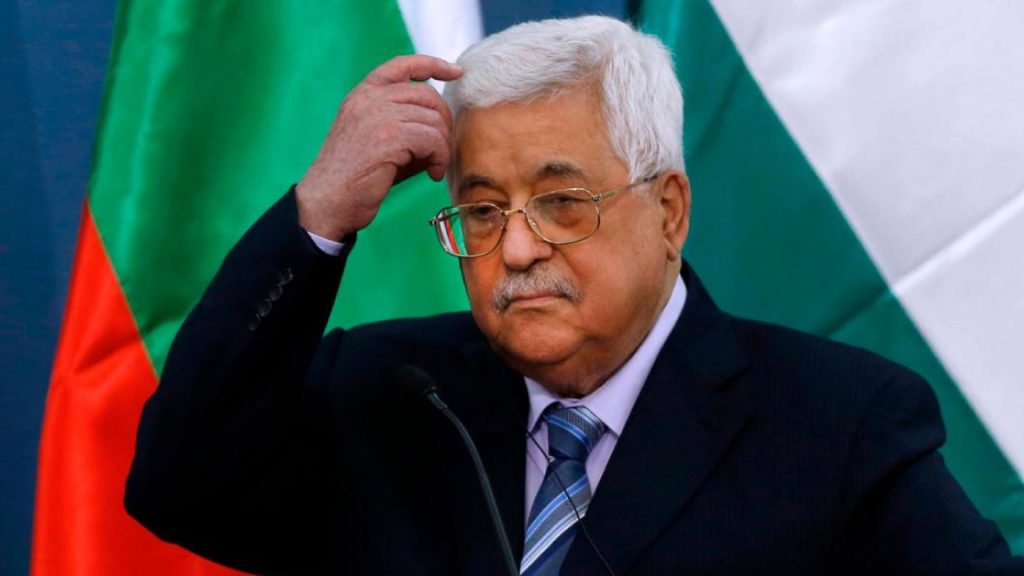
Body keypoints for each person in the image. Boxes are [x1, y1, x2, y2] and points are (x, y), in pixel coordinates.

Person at [125, 15, 1023, 576]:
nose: (516, 248)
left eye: (562, 203)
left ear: (669, 211)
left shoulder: (838, 423)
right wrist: (317, 215)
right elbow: (177, 487)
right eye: (482, 211)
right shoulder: (390, 391)